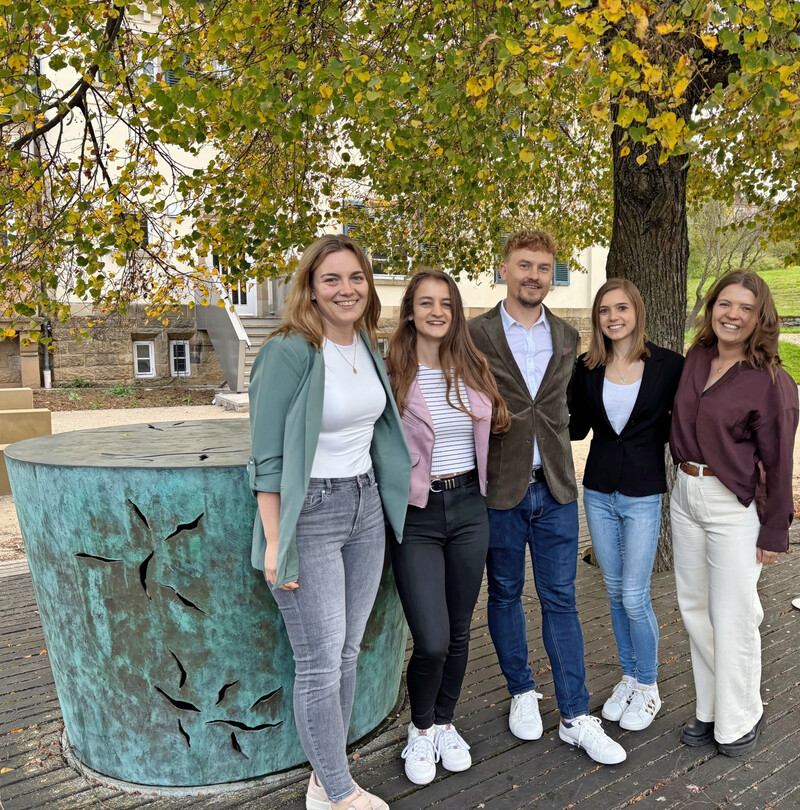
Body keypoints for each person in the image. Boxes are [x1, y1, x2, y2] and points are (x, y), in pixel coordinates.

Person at [248, 234, 410, 810]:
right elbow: (266, 456)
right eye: (332, 279)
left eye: (357, 278)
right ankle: (340, 792)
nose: (347, 289)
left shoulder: (366, 344)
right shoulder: (290, 350)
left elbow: (377, 431)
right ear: (310, 290)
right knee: (319, 660)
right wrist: (276, 542)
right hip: (310, 515)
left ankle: (325, 781)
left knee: (346, 653)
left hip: (364, 507)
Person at [468, 229, 626, 765]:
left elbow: (570, 407)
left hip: (556, 489)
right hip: (501, 490)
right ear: (505, 269)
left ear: (552, 274)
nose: (534, 275)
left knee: (562, 600)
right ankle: (520, 691)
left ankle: (577, 715)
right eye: (524, 265)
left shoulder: (567, 335)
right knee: (506, 595)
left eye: (543, 267)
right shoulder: (474, 334)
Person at [385, 269, 511, 785]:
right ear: (410, 310)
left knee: (460, 630)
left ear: (456, 312)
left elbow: (497, 424)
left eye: (446, 303)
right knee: (432, 639)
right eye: (426, 302)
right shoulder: (390, 370)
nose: (437, 311)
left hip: (468, 509)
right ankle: (417, 732)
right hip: (417, 515)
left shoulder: (473, 365)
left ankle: (442, 723)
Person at [669, 270, 799, 758]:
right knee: (695, 608)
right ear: (712, 309)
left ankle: (739, 717)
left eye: (745, 308)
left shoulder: (770, 383)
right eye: (725, 304)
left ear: (760, 317)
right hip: (685, 493)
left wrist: (774, 529)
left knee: (735, 612)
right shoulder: (697, 358)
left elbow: (779, 463)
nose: (733, 315)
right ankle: (711, 707)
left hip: (733, 505)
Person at [568, 278, 683, 732]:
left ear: (637, 311)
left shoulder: (669, 366)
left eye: (621, 308)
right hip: (596, 492)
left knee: (636, 596)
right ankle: (629, 677)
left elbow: (688, 423)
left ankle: (650, 686)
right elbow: (576, 429)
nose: (613, 317)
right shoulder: (587, 366)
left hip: (642, 494)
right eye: (604, 311)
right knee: (615, 594)